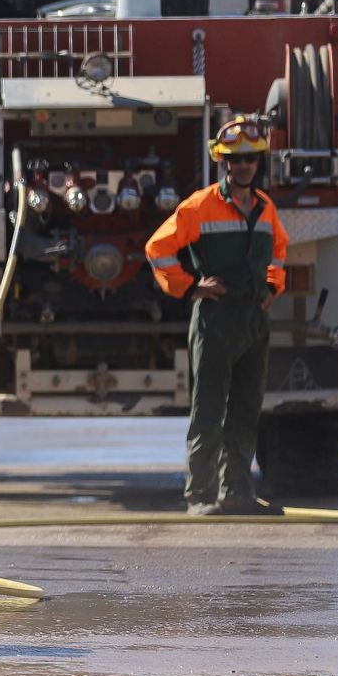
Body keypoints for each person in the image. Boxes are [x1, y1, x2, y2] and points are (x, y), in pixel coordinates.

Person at [145, 115, 290, 517]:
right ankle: (201, 495)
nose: (243, 165)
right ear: (222, 161)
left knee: (246, 409)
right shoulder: (199, 205)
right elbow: (157, 248)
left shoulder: (265, 208)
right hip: (215, 320)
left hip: (253, 321)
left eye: (250, 158)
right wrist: (190, 287)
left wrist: (272, 288)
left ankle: (238, 493)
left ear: (258, 161)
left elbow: (280, 250)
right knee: (208, 410)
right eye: (235, 158)